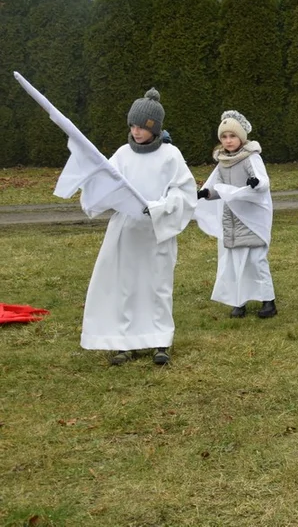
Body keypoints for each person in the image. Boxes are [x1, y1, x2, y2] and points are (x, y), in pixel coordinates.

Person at [81, 89, 196, 366]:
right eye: (132, 126)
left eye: (142, 127)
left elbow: (184, 193)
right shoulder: (121, 155)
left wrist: (158, 208)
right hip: (126, 233)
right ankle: (124, 342)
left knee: (157, 286)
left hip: (157, 233)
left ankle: (160, 340)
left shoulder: (171, 155)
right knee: (126, 286)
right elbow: (105, 184)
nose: (136, 132)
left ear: (154, 128)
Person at [196, 110, 276, 319]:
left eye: (232, 136)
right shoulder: (223, 161)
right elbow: (217, 187)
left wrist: (255, 183)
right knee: (235, 262)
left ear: (241, 137)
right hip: (232, 219)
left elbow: (262, 181)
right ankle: (238, 301)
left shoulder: (251, 158)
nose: (228, 141)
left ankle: (268, 300)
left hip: (251, 219)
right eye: (224, 137)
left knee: (256, 260)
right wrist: (206, 193)